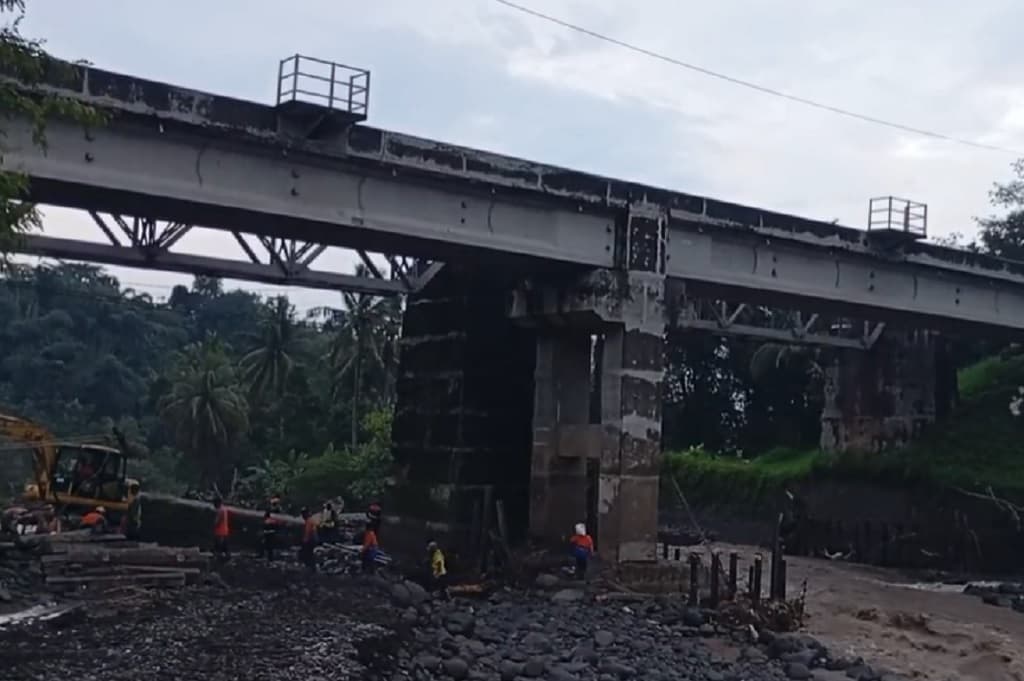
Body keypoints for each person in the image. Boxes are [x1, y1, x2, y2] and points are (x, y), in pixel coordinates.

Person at [212, 497, 230, 562]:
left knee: (218, 545)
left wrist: (213, 525)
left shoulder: (220, 510)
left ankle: (217, 558)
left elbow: (217, 521)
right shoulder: (225, 509)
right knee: (225, 546)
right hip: (225, 530)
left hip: (219, 531)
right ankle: (227, 557)